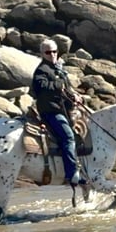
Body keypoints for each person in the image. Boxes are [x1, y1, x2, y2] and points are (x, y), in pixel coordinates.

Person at [31, 38, 85, 186]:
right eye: (48, 52)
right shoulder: (42, 70)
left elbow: (67, 89)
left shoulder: (58, 69)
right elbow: (41, 86)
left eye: (55, 51)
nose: (52, 55)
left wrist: (75, 96)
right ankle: (71, 174)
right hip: (50, 111)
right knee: (68, 137)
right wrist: (58, 85)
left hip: (63, 109)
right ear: (42, 54)